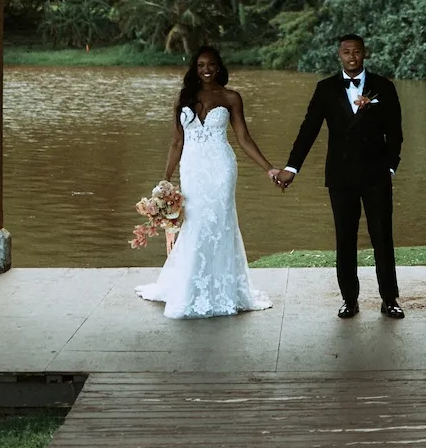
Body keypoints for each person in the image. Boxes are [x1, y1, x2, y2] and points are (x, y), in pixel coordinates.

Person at [137, 46, 276, 319]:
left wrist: (269, 168)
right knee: (195, 224)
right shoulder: (184, 97)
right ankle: (190, 287)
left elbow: (244, 138)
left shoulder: (231, 97)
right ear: (195, 68)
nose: (206, 69)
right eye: (201, 65)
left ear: (219, 67)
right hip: (192, 170)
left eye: (211, 64)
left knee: (219, 224)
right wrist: (165, 180)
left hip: (221, 169)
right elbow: (177, 141)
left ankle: (221, 291)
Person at [273, 34, 404, 320]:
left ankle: (390, 299)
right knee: (345, 239)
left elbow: (395, 132)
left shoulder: (383, 87)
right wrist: (292, 168)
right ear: (339, 55)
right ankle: (349, 300)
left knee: (382, 237)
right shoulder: (325, 89)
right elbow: (309, 130)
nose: (352, 57)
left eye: (356, 52)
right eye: (346, 52)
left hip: (376, 176)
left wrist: (390, 166)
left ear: (365, 54)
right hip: (340, 177)